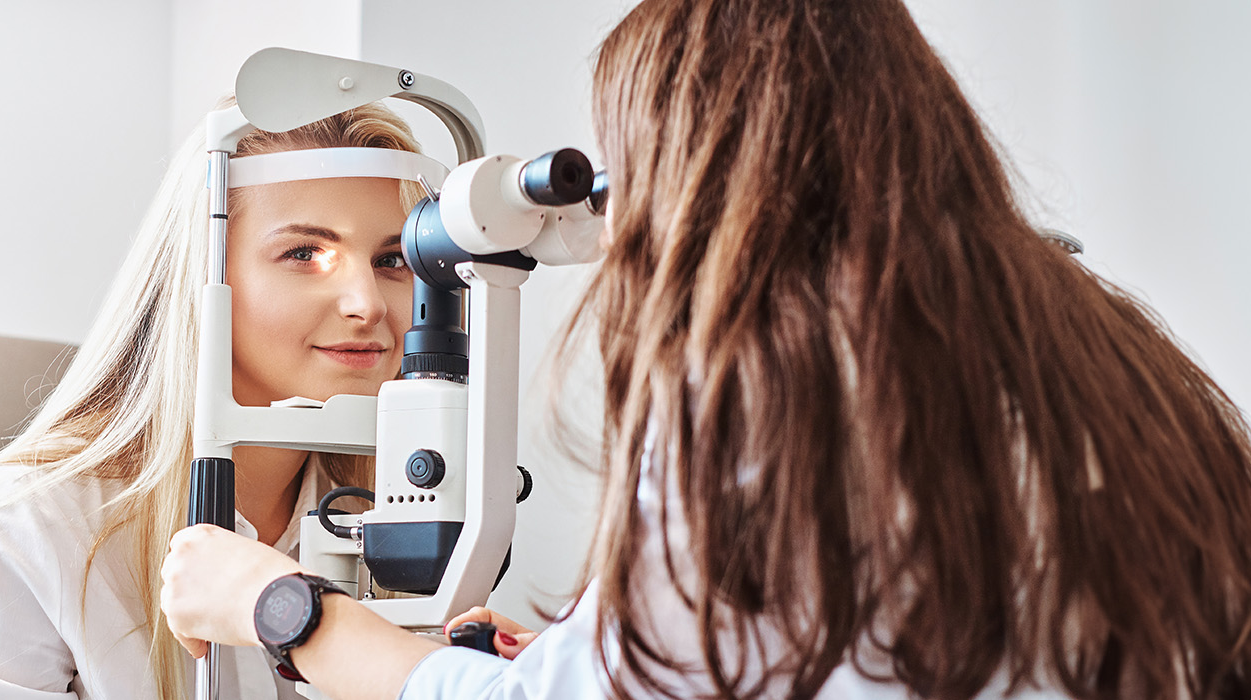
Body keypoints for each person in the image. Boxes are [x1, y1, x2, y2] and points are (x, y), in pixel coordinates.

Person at [159, 0, 1251, 698]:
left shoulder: (770, 383)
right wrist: (604, 658)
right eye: (300, 253)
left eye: (392, 258)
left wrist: (279, 607)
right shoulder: (1118, 359)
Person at [0, 100, 438, 700]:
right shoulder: (27, 526)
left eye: (392, 260)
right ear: (201, 277)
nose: (366, 304)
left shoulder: (401, 520)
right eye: (305, 254)